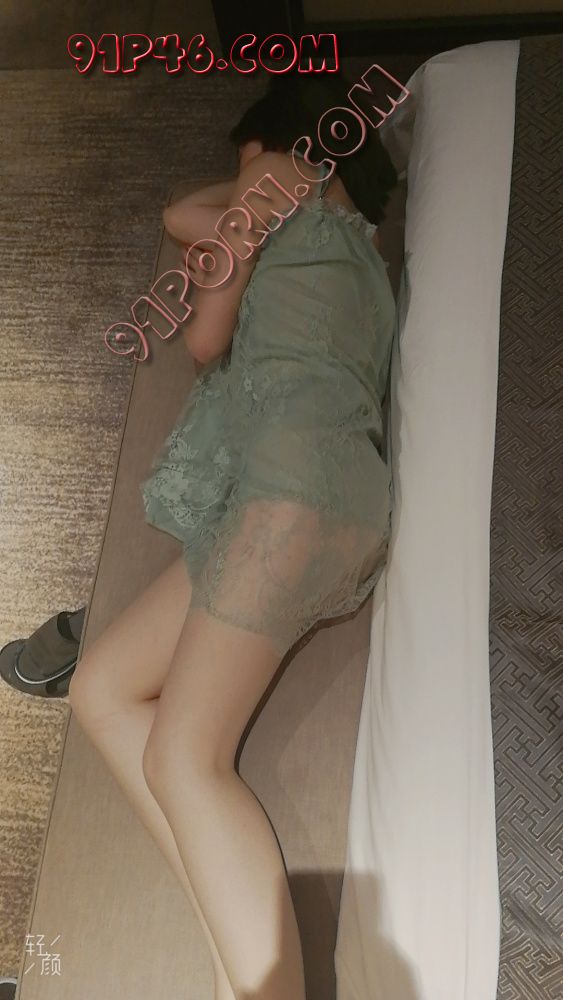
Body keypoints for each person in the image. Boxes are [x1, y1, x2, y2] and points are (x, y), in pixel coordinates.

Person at [67, 70, 398, 999]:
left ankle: (266, 989)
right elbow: (189, 223)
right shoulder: (363, 251)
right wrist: (255, 195)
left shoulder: (275, 174)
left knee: (185, 758)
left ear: (272, 139)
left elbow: (204, 331)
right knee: (101, 689)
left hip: (287, 496)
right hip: (308, 495)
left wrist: (251, 177)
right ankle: (237, 961)